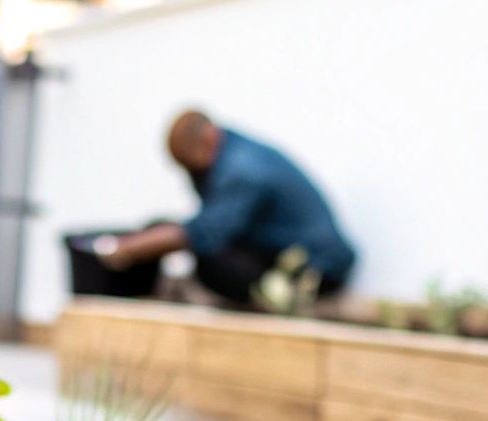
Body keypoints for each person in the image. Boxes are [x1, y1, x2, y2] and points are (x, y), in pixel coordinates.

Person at [90, 110, 355, 305]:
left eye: (195, 167)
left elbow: (205, 233)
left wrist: (122, 248)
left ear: (208, 138)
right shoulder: (231, 149)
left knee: (211, 261)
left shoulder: (242, 170)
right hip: (277, 250)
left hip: (317, 267)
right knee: (159, 229)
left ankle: (268, 304)